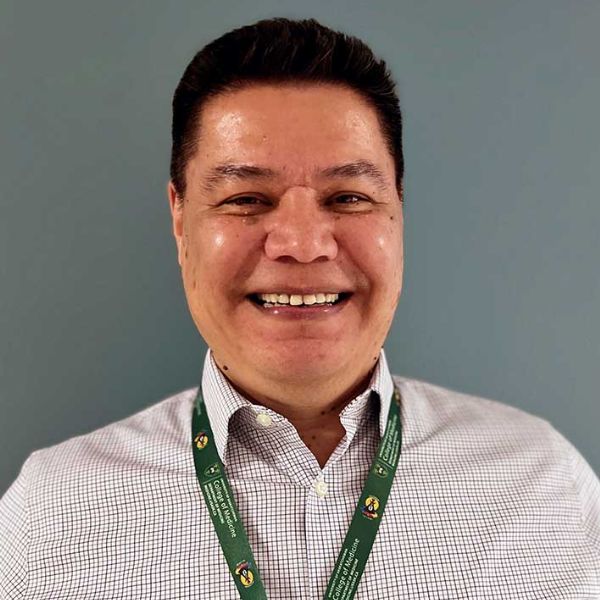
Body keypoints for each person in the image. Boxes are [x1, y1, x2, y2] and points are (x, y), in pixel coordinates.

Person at [0, 17, 598, 600]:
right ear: (180, 218)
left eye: (348, 197)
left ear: (398, 209)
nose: (303, 243)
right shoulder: (46, 516)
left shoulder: (549, 485)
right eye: (246, 198)